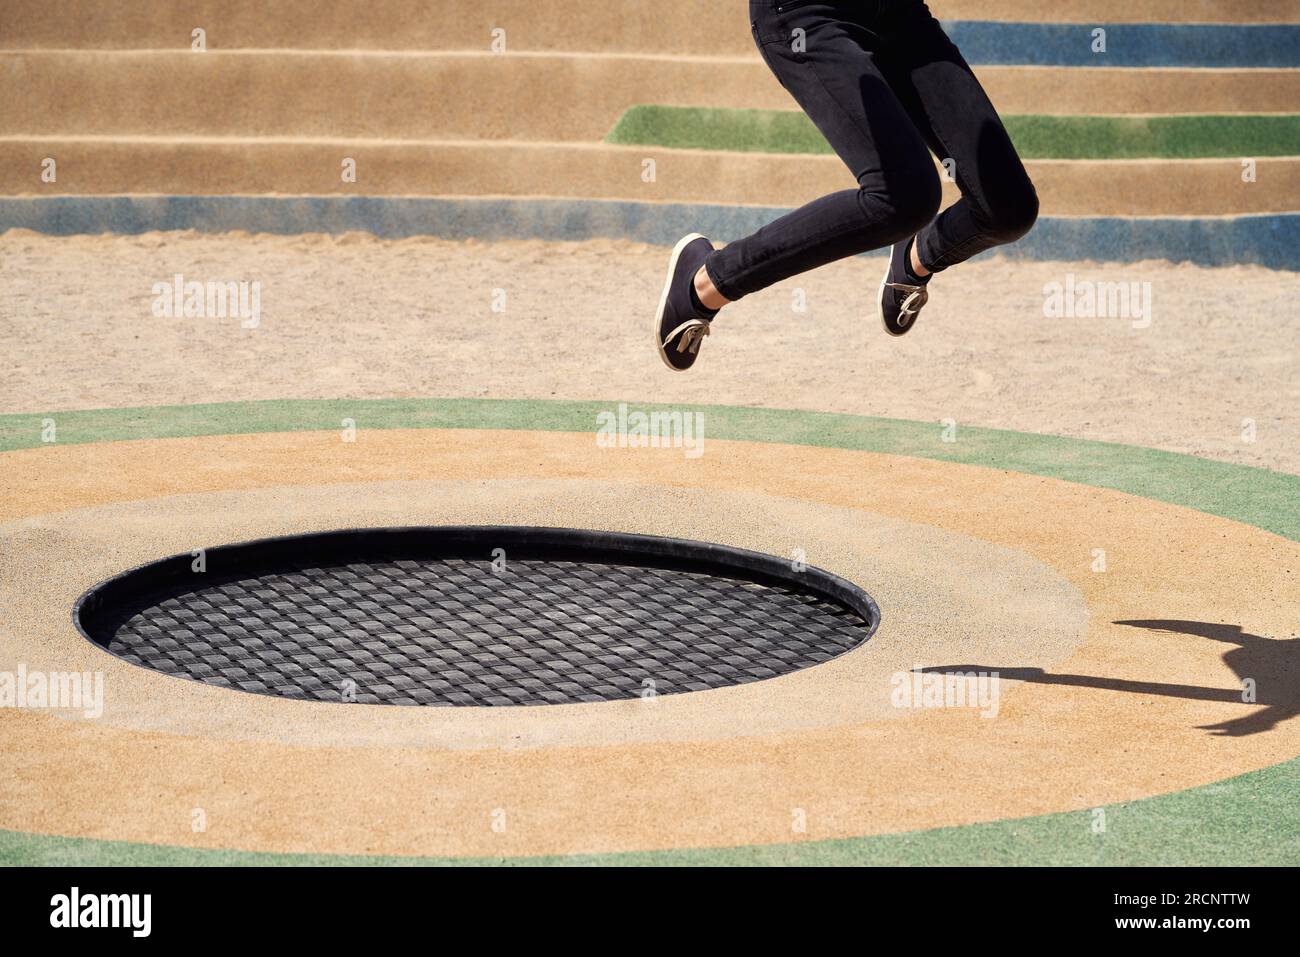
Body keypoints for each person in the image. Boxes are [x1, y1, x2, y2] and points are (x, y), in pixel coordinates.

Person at [656, 0, 1039, 371]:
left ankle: (918, 257)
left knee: (1008, 208)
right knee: (904, 196)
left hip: (899, 15)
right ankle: (706, 281)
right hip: (806, 14)